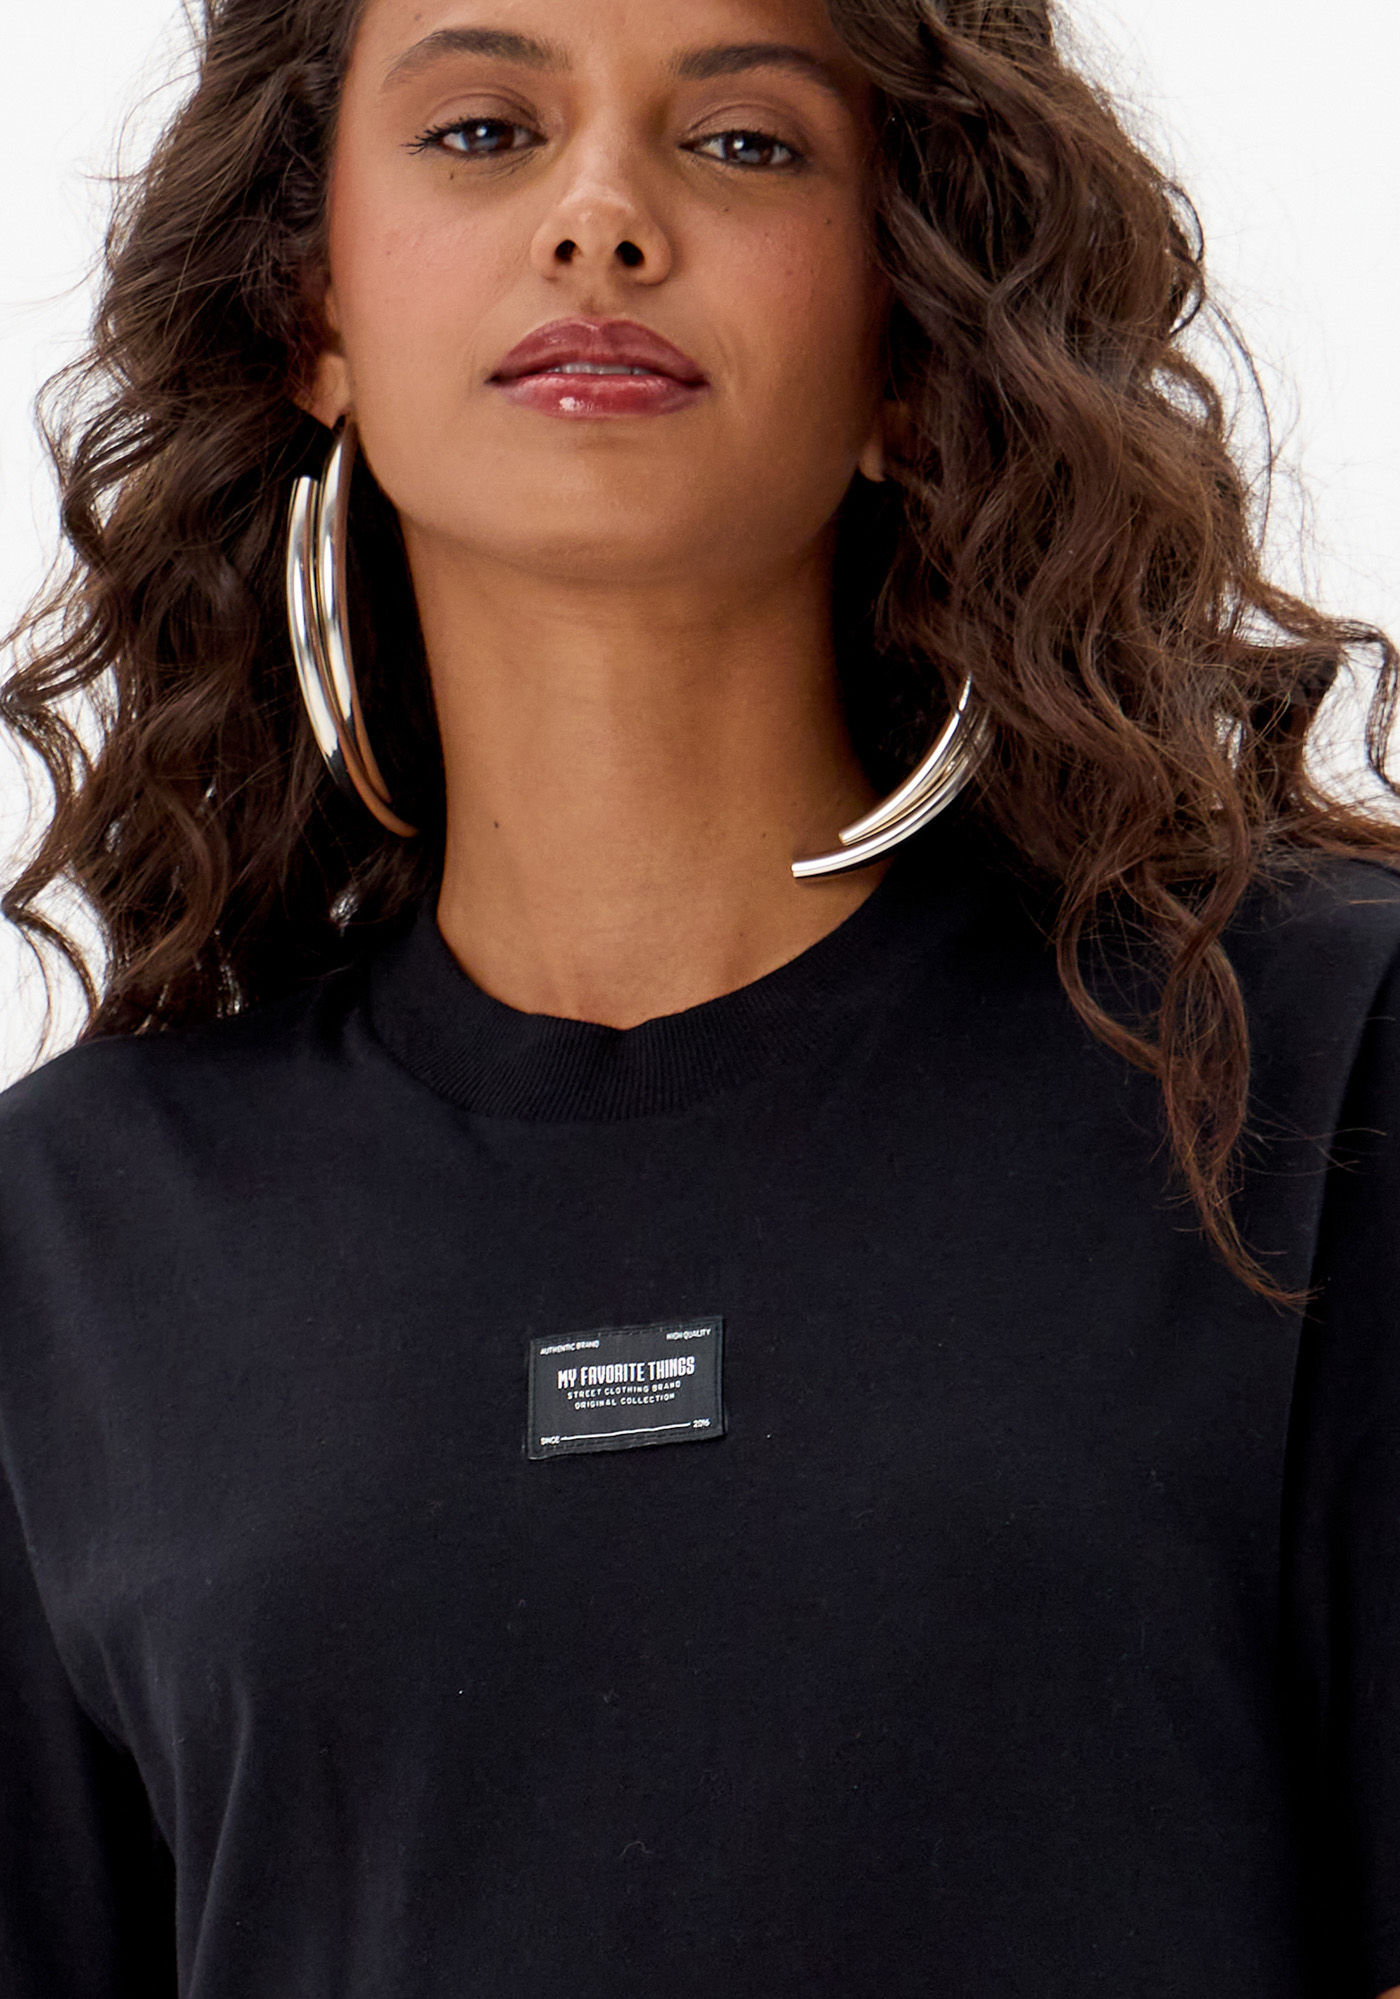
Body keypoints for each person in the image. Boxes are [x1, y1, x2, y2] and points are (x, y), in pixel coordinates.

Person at [0, 0, 1397, 1991]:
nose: (601, 215)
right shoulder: (73, 1239)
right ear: (312, 309)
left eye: (745, 143)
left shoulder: (1308, 1062)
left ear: (907, 342)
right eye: (483, 130)